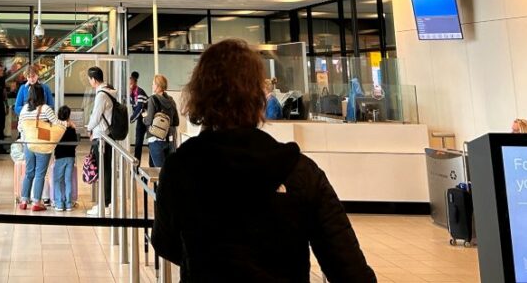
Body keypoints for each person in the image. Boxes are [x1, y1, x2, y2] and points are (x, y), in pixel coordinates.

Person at [152, 39, 376, 282]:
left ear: (199, 94)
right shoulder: (298, 170)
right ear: (257, 96)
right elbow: (347, 265)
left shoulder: (181, 166)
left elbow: (166, 243)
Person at [17, 83, 58, 211]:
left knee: (29, 172)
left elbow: (20, 127)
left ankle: (24, 200)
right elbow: (56, 124)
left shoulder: (24, 109)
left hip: (28, 144)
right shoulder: (46, 109)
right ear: (42, 95)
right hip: (42, 144)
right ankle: (36, 203)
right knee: (40, 173)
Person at [86, 66, 117, 215]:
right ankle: (108, 203)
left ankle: (104, 205)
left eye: (89, 79)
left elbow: (96, 116)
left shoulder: (101, 95)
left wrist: (89, 129)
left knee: (103, 170)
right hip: (108, 136)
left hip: (102, 137)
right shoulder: (109, 92)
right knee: (107, 170)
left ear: (93, 79)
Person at [143, 74, 180, 168]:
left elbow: (149, 121)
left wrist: (144, 118)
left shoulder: (152, 99)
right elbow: (176, 122)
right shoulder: (171, 100)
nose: (152, 86)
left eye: (153, 84)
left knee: (159, 172)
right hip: (170, 140)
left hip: (155, 139)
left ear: (158, 86)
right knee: (166, 170)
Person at [51, 105, 78, 211]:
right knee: (68, 180)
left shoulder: (57, 128)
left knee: (57, 180)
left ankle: (59, 203)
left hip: (60, 157)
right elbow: (75, 143)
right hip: (70, 157)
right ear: (69, 115)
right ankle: (68, 204)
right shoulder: (72, 128)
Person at [128, 71, 149, 162]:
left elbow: (140, 108)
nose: (130, 86)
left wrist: (131, 118)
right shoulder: (131, 94)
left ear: (135, 83)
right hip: (141, 119)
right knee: (138, 143)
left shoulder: (140, 92)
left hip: (148, 119)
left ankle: (153, 167)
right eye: (129, 84)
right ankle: (136, 166)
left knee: (151, 143)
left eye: (131, 84)